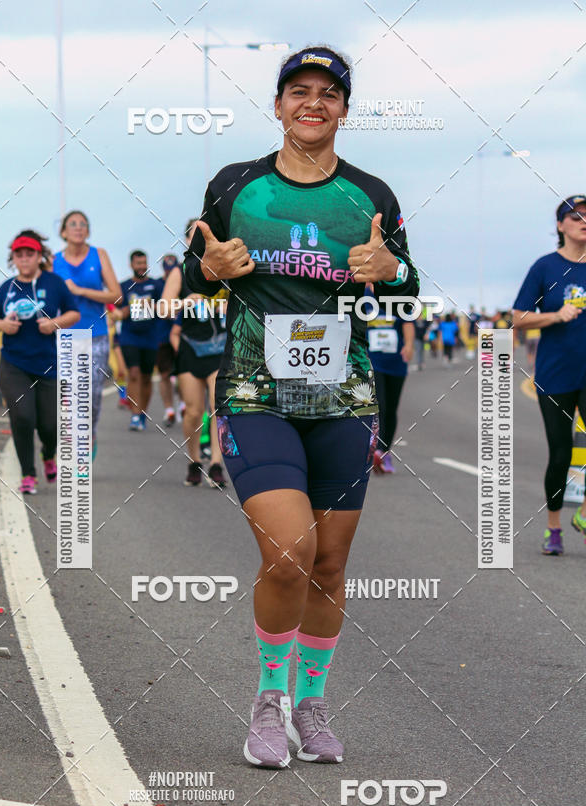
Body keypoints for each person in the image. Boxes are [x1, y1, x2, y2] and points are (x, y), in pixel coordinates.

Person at [183, 45, 419, 768]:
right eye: (299, 91)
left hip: (343, 397)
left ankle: (311, 703)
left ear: (344, 109)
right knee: (290, 553)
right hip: (254, 392)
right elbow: (194, 278)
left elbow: (407, 287)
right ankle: (268, 701)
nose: (313, 103)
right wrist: (208, 269)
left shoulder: (370, 194)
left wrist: (391, 270)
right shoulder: (235, 186)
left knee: (331, 564)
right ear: (279, 104)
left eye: (328, 93)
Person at [514, 194, 586, 555]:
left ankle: (584, 512)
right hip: (555, 374)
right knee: (560, 454)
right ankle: (553, 527)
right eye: (576, 216)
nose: (583, 221)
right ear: (560, 225)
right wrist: (556, 316)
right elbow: (518, 317)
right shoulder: (545, 267)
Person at [0, 231, 80, 493]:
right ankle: (28, 474)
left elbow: (74, 313)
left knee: (50, 425)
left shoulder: (54, 283)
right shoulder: (7, 288)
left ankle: (48, 454)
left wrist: (54, 323)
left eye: (30, 254)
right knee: (23, 417)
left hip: (48, 365)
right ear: (13, 259)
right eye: (19, 255)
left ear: (39, 256)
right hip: (13, 365)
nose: (25, 259)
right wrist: (3, 325)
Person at [53, 210, 121, 459]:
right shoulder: (53, 261)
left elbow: (116, 294)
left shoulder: (98, 255)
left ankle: (89, 433)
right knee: (69, 396)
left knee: (91, 395)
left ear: (88, 231)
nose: (78, 227)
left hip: (96, 334)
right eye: (72, 224)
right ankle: (74, 445)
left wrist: (80, 291)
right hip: (67, 336)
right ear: (63, 232)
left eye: (83, 224)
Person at [164, 228, 229, 488]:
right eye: (194, 235)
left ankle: (216, 464)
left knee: (218, 407)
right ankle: (194, 461)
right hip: (190, 347)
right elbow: (164, 308)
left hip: (220, 346)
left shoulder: (225, 268)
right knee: (193, 412)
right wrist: (185, 302)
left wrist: (226, 305)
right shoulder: (179, 272)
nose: (199, 239)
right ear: (187, 241)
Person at [364, 284, 414, 473]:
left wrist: (409, 345)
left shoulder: (397, 296)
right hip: (372, 361)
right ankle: (375, 450)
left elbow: (407, 323)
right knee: (380, 405)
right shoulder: (362, 296)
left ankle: (384, 452)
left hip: (395, 362)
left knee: (391, 409)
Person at [113, 250, 162, 431]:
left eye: (144, 263)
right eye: (138, 263)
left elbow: (166, 307)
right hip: (130, 336)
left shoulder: (156, 285)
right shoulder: (124, 286)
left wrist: (151, 305)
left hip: (150, 336)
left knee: (147, 377)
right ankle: (134, 415)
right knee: (133, 373)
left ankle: (142, 413)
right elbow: (114, 310)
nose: (142, 267)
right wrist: (124, 311)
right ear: (131, 265)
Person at [157, 253, 180, 426]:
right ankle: (169, 409)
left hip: (182, 334)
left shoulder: (184, 280)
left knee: (184, 372)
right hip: (162, 335)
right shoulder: (157, 285)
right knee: (164, 374)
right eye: (167, 270)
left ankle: (185, 405)